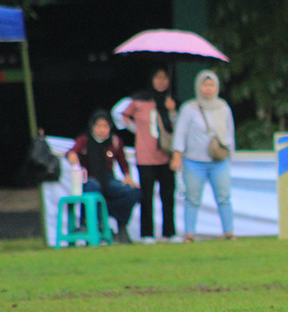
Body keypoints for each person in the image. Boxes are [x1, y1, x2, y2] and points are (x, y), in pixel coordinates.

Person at [170, 69, 236, 242]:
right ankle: (190, 234)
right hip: (193, 161)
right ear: (198, 87)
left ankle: (229, 232)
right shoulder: (189, 108)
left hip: (219, 160)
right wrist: (177, 156)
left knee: (224, 197)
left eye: (211, 85)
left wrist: (230, 155)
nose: (208, 89)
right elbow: (180, 133)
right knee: (192, 198)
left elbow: (230, 133)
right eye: (205, 85)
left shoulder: (223, 107)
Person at [66, 111, 141, 244]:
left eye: (105, 126)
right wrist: (72, 156)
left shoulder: (115, 141)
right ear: (92, 127)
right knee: (93, 187)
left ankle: (119, 220)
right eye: (98, 126)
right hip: (89, 178)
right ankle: (93, 223)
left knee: (134, 192)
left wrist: (128, 177)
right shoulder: (84, 140)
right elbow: (72, 152)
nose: (102, 130)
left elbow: (123, 161)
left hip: (109, 179)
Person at [123, 67, 178, 242]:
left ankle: (170, 232)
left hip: (166, 155)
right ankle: (147, 233)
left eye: (165, 78)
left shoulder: (172, 101)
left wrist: (171, 111)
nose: (161, 82)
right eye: (158, 77)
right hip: (145, 157)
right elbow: (122, 115)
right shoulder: (139, 100)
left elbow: (177, 129)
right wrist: (137, 131)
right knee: (146, 196)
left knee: (168, 195)